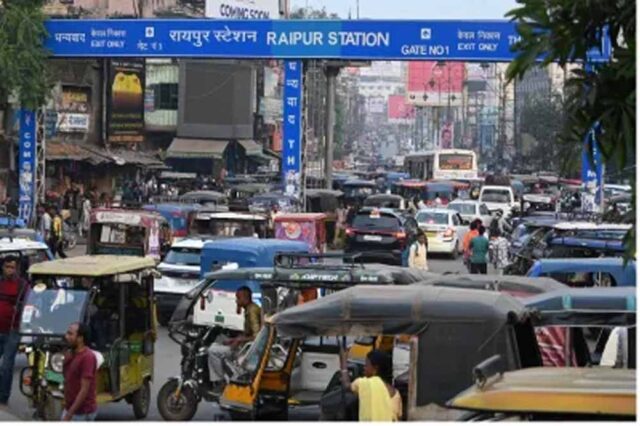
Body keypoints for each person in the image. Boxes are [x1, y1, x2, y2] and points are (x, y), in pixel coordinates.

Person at [207, 286, 261, 391]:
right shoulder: (250, 309)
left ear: (245, 298)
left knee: (212, 351)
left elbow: (257, 336)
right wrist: (233, 339)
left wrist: (239, 340)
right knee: (215, 345)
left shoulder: (252, 311)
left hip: (247, 351)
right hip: (245, 347)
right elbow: (247, 333)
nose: (236, 301)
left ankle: (220, 381)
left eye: (238, 298)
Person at [340, 349, 402, 421]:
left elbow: (346, 385)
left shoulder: (365, 383)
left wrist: (343, 365)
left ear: (375, 368)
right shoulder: (396, 394)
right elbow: (399, 417)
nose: (364, 368)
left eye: (366, 365)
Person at [0, 256, 29, 407]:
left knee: (6, 366)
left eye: (12, 267)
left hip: (12, 331)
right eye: (7, 267)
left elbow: (29, 305)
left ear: (17, 269)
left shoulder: (22, 286)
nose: (9, 270)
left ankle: (3, 397)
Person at [62, 322, 97, 421]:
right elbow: (67, 379)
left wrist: (69, 414)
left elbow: (84, 390)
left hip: (82, 413)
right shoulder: (72, 354)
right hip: (71, 409)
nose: (66, 336)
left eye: (70, 334)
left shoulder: (87, 357)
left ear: (80, 338)